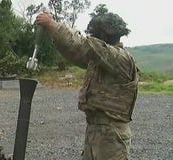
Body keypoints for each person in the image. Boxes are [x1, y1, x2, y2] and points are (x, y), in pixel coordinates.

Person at [36, 9, 139, 160]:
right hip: (96, 132)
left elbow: (82, 46)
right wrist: (54, 32)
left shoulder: (120, 58)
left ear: (104, 34)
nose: (93, 37)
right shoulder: (101, 60)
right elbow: (75, 51)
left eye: (95, 34)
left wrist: (52, 24)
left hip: (112, 137)